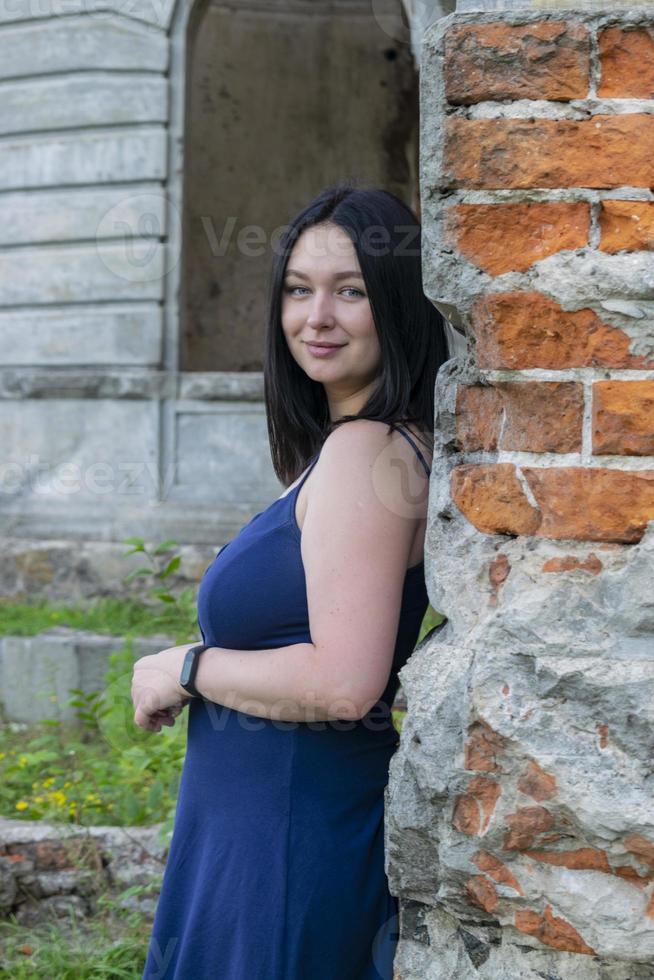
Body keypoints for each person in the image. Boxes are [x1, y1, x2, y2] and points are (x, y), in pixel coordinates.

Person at [132, 183, 449, 979]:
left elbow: (343, 682)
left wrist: (185, 667)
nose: (318, 319)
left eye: (352, 292)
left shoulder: (366, 451)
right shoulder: (354, 447)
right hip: (258, 830)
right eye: (299, 291)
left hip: (284, 840)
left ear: (399, 303)